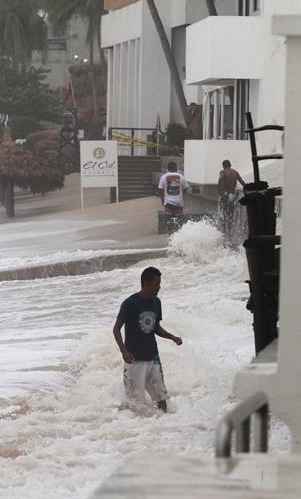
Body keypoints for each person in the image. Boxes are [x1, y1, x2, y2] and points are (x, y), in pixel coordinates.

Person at [112, 267, 183, 412]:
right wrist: (124, 351)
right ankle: (133, 430)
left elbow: (156, 327)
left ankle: (163, 425)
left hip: (153, 358)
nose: (159, 287)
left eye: (159, 283)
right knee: (134, 404)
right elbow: (116, 329)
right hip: (134, 360)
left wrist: (172, 337)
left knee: (162, 398)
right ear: (146, 283)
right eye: (156, 284)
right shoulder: (129, 303)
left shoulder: (156, 302)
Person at [217, 160, 246, 242]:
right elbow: (243, 183)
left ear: (223, 166)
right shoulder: (235, 172)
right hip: (232, 196)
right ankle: (229, 234)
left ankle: (223, 232)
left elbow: (221, 179)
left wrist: (220, 192)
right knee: (230, 214)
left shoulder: (222, 172)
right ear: (230, 165)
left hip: (225, 195)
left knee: (222, 214)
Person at [158, 161, 189, 235]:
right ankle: (179, 238)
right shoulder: (181, 176)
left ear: (168, 168)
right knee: (179, 223)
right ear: (175, 168)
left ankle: (170, 237)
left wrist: (162, 200)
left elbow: (160, 189)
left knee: (169, 222)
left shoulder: (163, 177)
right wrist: (181, 194)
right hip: (179, 203)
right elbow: (186, 188)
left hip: (168, 203)